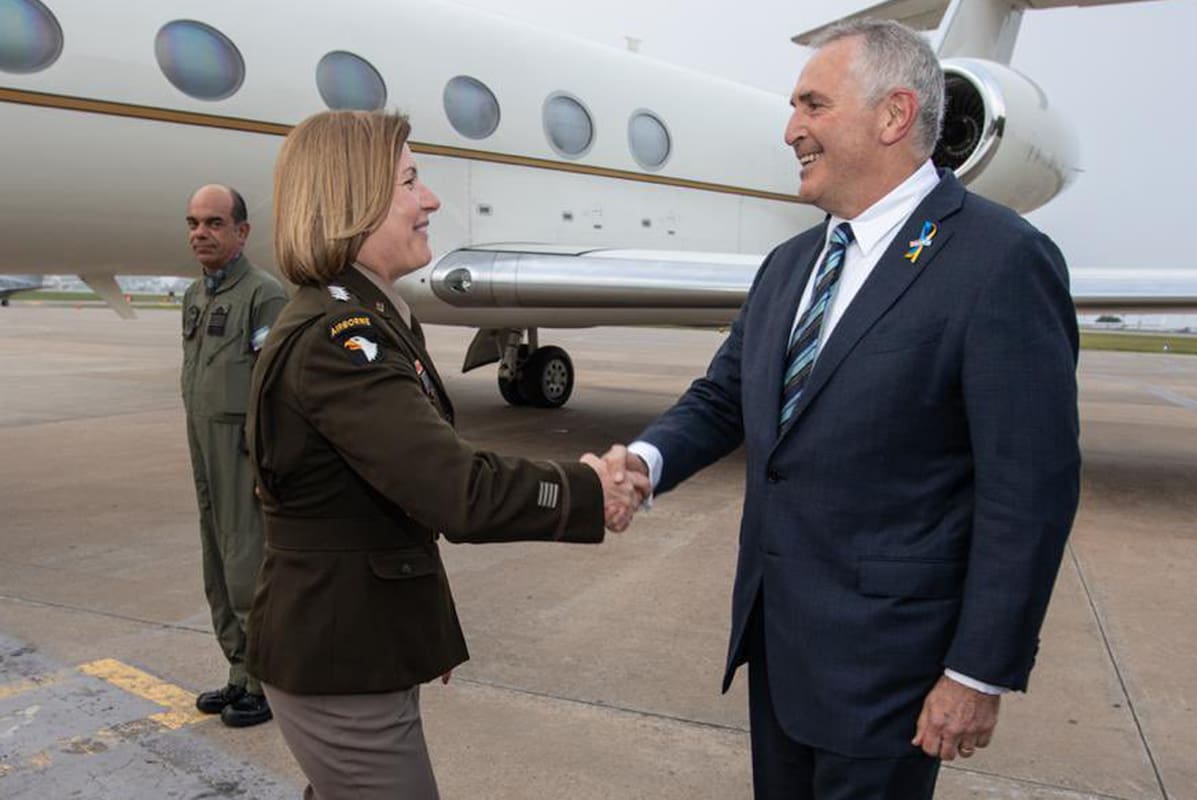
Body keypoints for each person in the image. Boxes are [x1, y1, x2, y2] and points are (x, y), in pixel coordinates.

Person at [597, 19, 1081, 799]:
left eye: (813, 105)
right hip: (779, 648)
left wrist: (977, 671)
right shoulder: (793, 264)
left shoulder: (1000, 262)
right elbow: (725, 398)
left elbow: (1029, 489)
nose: (791, 129)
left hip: (893, 671)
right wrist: (646, 464)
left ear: (892, 116)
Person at [245, 109, 645, 799]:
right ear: (354, 198)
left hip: (359, 646)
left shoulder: (370, 318)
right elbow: (454, 488)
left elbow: (389, 497)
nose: (430, 200)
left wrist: (414, 630)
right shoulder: (338, 341)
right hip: (338, 664)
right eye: (409, 181)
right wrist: (585, 488)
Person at [181, 184, 287, 728]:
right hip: (205, 451)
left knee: (249, 571)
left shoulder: (263, 296)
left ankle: (265, 684)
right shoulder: (196, 296)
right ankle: (238, 674)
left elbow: (278, 391)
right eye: (194, 223)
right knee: (218, 568)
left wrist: (266, 466)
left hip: (243, 457)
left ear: (242, 232)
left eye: (214, 223)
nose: (201, 233)